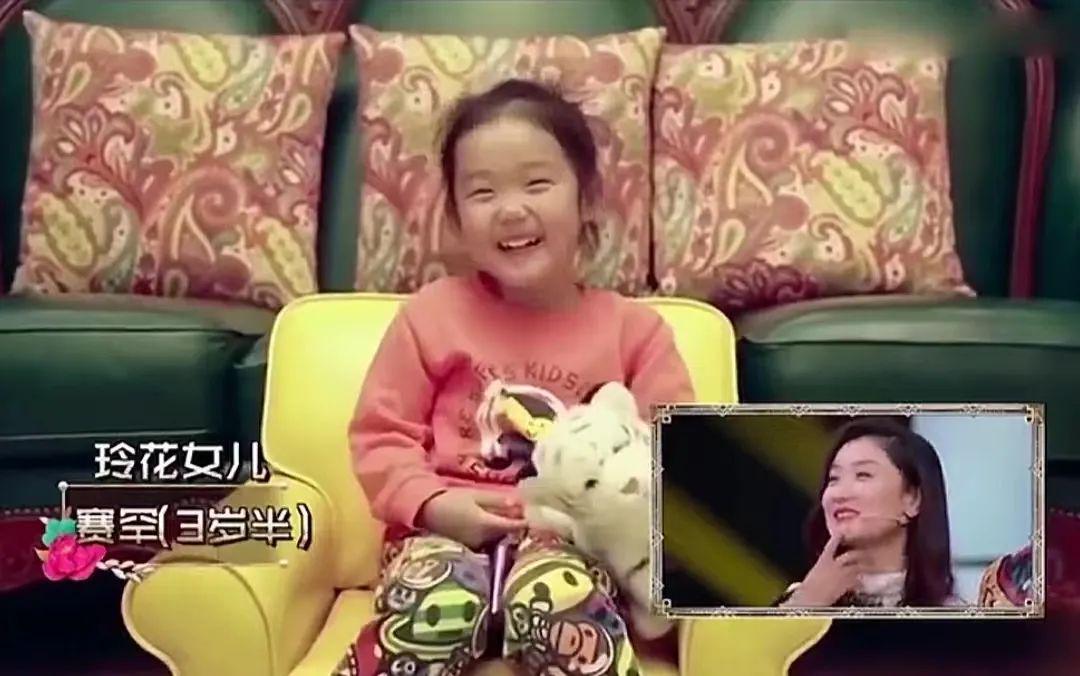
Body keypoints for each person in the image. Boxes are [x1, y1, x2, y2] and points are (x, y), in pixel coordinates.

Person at [333, 78, 695, 676]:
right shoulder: (430, 316)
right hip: (440, 542)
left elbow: (674, 464)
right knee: (439, 603)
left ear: (586, 199)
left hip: (570, 549)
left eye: (537, 183)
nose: (510, 208)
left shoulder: (637, 333)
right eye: (482, 192)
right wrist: (434, 504)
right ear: (455, 217)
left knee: (560, 602)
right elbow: (379, 436)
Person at [777, 417, 964, 608]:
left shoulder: (948, 611)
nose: (839, 494)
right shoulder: (796, 601)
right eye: (834, 479)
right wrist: (807, 602)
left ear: (912, 499)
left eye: (863, 475)